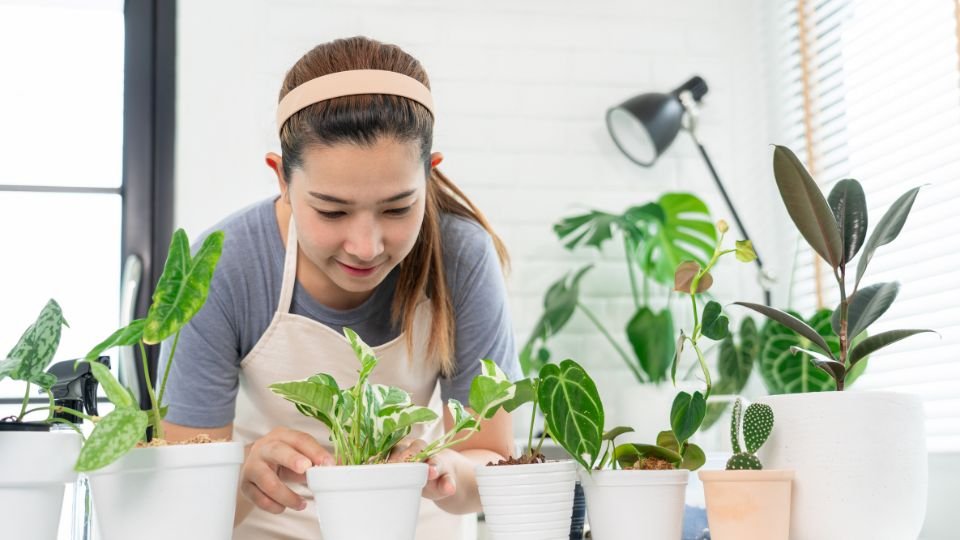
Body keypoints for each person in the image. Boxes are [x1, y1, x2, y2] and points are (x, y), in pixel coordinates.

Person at [158, 36, 521, 539]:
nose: (366, 246)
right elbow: (183, 506)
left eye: (398, 208)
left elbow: (492, 461)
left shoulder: (462, 258)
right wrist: (244, 481)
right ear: (281, 179)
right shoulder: (226, 264)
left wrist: (445, 472)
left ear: (429, 174)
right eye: (331, 210)